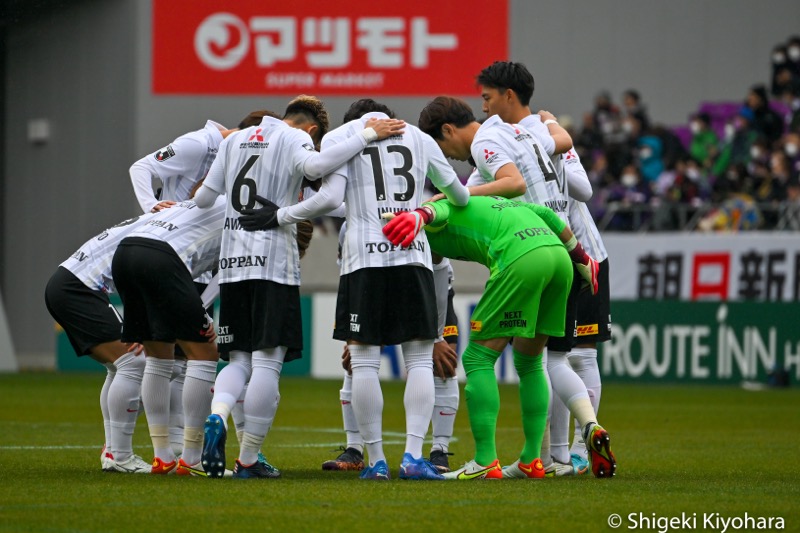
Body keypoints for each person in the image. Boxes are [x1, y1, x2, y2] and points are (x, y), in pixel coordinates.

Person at [237, 99, 471, 480]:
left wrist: (281, 215)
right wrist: (423, 209)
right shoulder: (416, 136)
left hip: (363, 259)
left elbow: (329, 199)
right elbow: (460, 197)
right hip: (413, 257)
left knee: (363, 364)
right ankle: (413, 457)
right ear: (388, 115)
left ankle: (376, 461)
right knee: (418, 362)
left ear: (354, 120)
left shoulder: (342, 137)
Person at [193, 96, 405, 479]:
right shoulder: (295, 140)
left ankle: (217, 414)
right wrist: (367, 134)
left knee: (237, 359)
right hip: (273, 264)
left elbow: (205, 198)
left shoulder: (233, 140)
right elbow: (316, 167)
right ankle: (248, 459)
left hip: (231, 264)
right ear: (310, 129)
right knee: (267, 364)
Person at [382, 195, 614, 480]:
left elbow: (434, 212)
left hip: (521, 260)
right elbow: (549, 215)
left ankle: (485, 462)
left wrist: (420, 214)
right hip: (560, 260)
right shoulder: (500, 203)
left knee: (477, 357)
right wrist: (582, 257)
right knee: (530, 362)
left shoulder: (438, 210)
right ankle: (532, 461)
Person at [474, 60, 612, 477]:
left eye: (487, 93)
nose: (482, 101)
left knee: (551, 358)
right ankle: (576, 449)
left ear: (508, 95)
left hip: (552, 249)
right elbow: (580, 188)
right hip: (579, 250)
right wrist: (559, 141)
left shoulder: (506, 137)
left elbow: (579, 189)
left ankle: (561, 454)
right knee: (575, 357)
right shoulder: (546, 132)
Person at [111, 197, 226, 475]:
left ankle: (162, 457)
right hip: (161, 256)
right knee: (205, 353)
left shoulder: (196, 203)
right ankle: (191, 459)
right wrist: (203, 309)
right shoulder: (243, 207)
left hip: (125, 252)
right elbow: (228, 267)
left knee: (159, 357)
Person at [45, 214, 155, 473]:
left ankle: (112, 450)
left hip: (69, 283)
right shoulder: (167, 224)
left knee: (119, 366)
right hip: (78, 287)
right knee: (133, 361)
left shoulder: (157, 217)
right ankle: (120, 454)